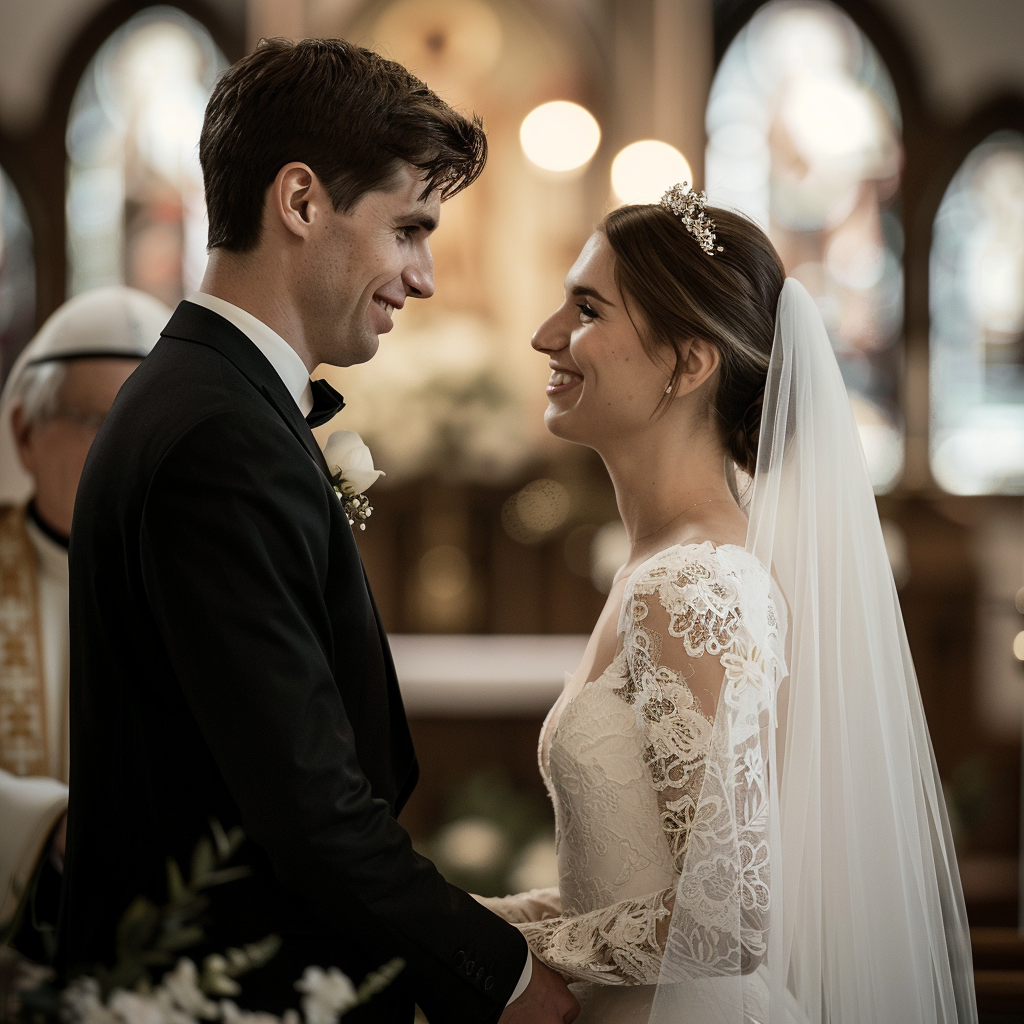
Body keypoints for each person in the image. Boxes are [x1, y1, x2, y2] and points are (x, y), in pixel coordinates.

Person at [59, 37, 578, 1024]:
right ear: (299, 202)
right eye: (409, 229)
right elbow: (307, 812)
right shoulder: (221, 434)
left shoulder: (206, 398)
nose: (425, 276)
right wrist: (504, 980)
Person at [479, 185, 978, 1023]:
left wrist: (506, 959)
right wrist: (454, 923)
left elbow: (729, 921)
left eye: (588, 308)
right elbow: (641, 882)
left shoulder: (694, 585)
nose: (546, 334)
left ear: (688, 362)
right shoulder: (656, 566)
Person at [0, 287, 168, 952]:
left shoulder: (203, 582)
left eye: (147, 421)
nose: (126, 448)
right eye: (98, 418)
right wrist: (48, 823)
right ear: (23, 432)